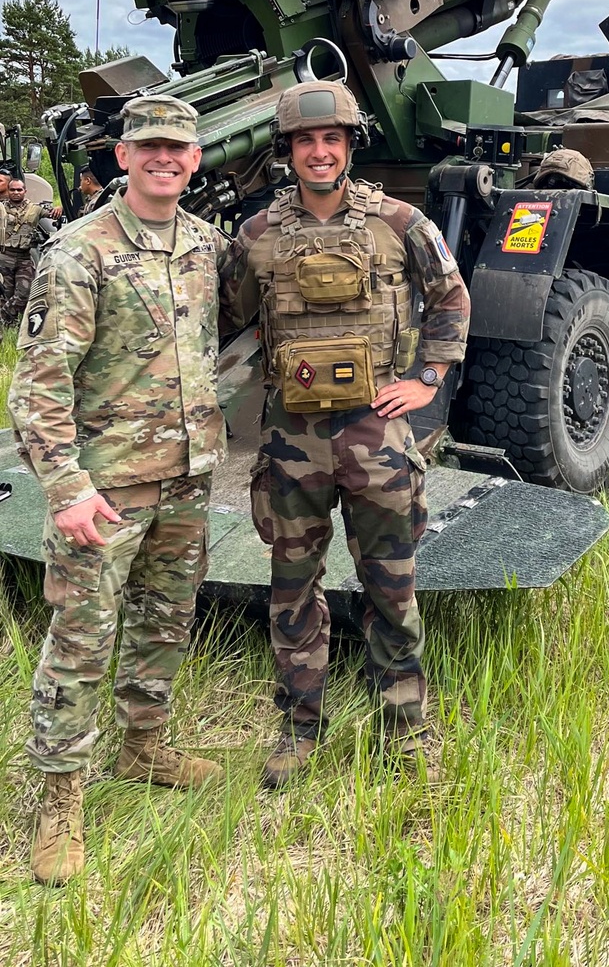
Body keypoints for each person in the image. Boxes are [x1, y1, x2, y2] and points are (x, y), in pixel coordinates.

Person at [220, 81, 471, 787]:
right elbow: (232, 316)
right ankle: (300, 728)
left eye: (331, 139)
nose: (319, 151)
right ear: (288, 151)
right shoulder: (259, 236)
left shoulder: (399, 221)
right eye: (306, 140)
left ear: (350, 145)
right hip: (291, 442)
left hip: (377, 436)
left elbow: (450, 295)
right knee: (292, 588)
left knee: (391, 584)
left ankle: (405, 727)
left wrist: (427, 377)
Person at [8, 94, 230, 886]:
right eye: (150, 148)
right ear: (124, 158)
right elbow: (37, 386)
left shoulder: (206, 245)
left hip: (186, 477)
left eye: (179, 148)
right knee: (78, 643)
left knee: (165, 623)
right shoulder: (80, 251)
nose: (165, 159)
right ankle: (58, 799)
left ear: (195, 160)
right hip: (103, 492)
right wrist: (65, 487)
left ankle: (143, 750)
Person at [0, 176, 62, 330]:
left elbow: (53, 214)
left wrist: (60, 208)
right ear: (8, 191)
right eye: (12, 189)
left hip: (24, 257)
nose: (16, 192)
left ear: (25, 191)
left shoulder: (35, 209)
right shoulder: (1, 208)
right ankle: (9, 326)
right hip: (5, 256)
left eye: (19, 190)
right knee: (6, 293)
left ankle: (4, 314)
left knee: (24, 293)